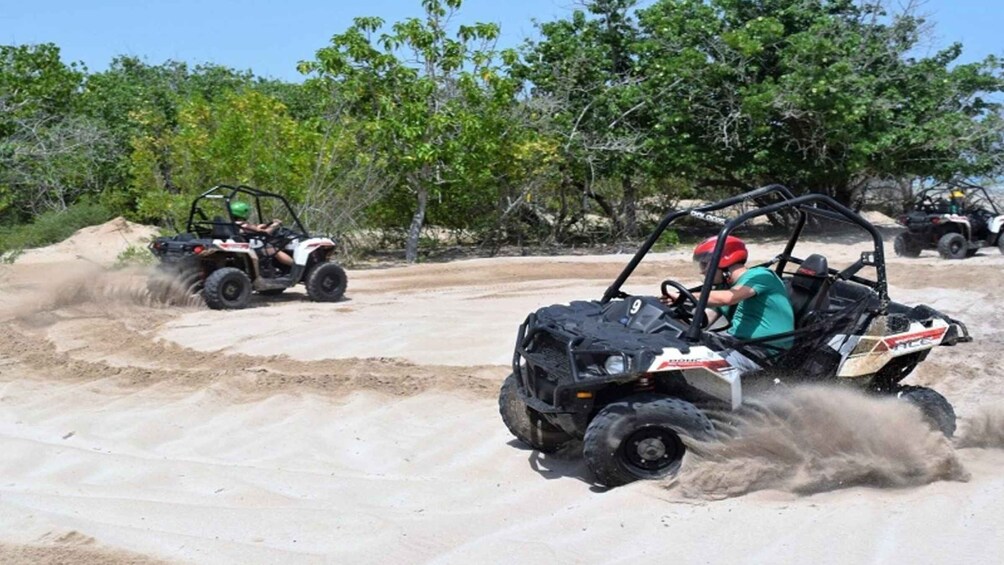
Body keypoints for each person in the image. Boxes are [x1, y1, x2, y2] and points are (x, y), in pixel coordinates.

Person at [663, 235, 795, 371]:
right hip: (736, 342)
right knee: (675, 346)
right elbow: (704, 320)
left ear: (723, 261)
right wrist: (672, 317)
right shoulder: (723, 287)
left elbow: (729, 298)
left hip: (763, 350)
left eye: (704, 264)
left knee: (699, 367)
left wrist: (683, 297)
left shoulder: (760, 276)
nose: (702, 271)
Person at [229, 201, 293, 267]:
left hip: (246, 247)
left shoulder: (233, 224)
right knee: (275, 250)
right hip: (254, 249)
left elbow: (255, 229)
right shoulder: (245, 225)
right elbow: (265, 232)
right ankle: (294, 265)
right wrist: (275, 225)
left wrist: (261, 226)